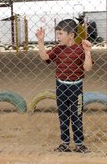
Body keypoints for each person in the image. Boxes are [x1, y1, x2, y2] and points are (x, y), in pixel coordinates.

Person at [36, 19, 93, 153]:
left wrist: (88, 52)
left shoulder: (80, 49)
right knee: (63, 116)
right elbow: (44, 57)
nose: (58, 37)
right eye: (57, 34)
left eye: (61, 34)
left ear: (71, 35)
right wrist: (40, 41)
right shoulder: (58, 49)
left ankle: (79, 144)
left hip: (76, 88)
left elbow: (87, 68)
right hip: (61, 87)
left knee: (76, 116)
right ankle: (65, 143)